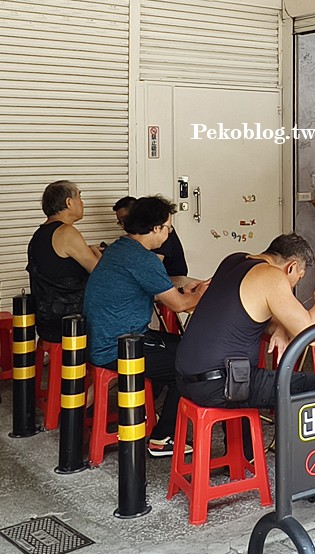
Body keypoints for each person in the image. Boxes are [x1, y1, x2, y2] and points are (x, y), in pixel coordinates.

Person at [176, 234, 315, 453]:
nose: (295, 284)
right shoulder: (271, 276)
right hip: (221, 385)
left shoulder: (233, 260)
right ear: (291, 267)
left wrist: (281, 326)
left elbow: (254, 312)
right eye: (300, 277)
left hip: (185, 379)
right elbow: (308, 330)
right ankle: (310, 466)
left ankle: (244, 456)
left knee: (252, 376)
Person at [83, 196, 207, 457]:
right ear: (155, 229)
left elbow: (164, 292)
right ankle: (163, 438)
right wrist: (206, 291)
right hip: (118, 346)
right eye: (168, 227)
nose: (170, 232)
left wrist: (185, 290)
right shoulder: (144, 259)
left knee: (185, 346)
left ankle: (152, 410)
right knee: (192, 360)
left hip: (106, 338)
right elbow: (180, 306)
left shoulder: (120, 248)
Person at [26, 181, 103, 343]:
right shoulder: (66, 232)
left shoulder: (39, 234)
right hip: (71, 321)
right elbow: (99, 272)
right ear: (69, 202)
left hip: (46, 321)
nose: (82, 203)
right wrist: (96, 252)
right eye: (79, 197)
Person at [113, 196, 192, 286]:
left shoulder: (160, 235)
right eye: (120, 222)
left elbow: (151, 270)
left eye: (126, 219)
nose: (124, 225)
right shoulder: (124, 243)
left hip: (171, 278)